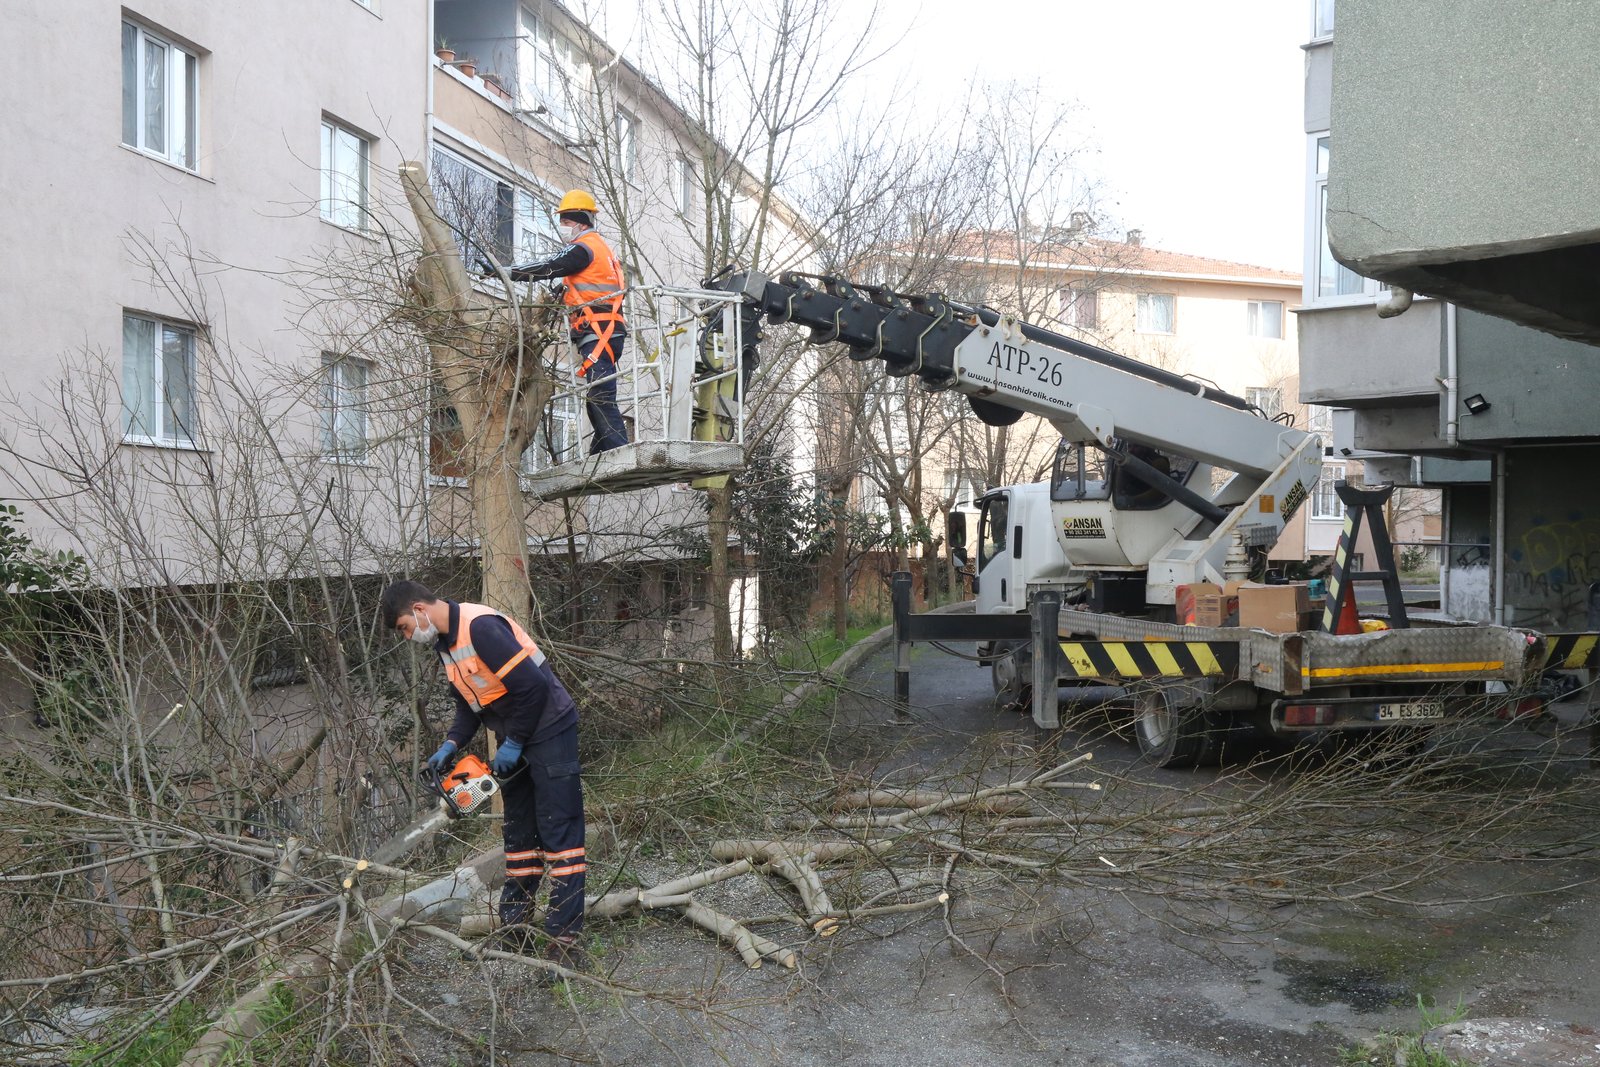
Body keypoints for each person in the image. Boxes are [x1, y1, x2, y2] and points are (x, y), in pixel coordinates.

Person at [381, 580, 586, 967]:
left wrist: (514, 742)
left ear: (419, 608)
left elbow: (533, 687)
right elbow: (468, 706)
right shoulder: (447, 646)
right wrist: (451, 745)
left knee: (561, 832)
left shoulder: (480, 627)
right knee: (520, 833)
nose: (409, 636)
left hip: (549, 729)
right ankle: (515, 928)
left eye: (405, 627)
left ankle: (565, 938)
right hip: (517, 737)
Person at [499, 189, 630, 455]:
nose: (564, 229)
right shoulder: (600, 250)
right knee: (596, 395)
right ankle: (600, 452)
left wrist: (508, 272)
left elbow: (550, 266)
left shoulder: (583, 249)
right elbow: (580, 284)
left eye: (566, 223)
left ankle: (620, 450)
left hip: (598, 330)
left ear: (580, 221)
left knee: (600, 395)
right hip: (606, 329)